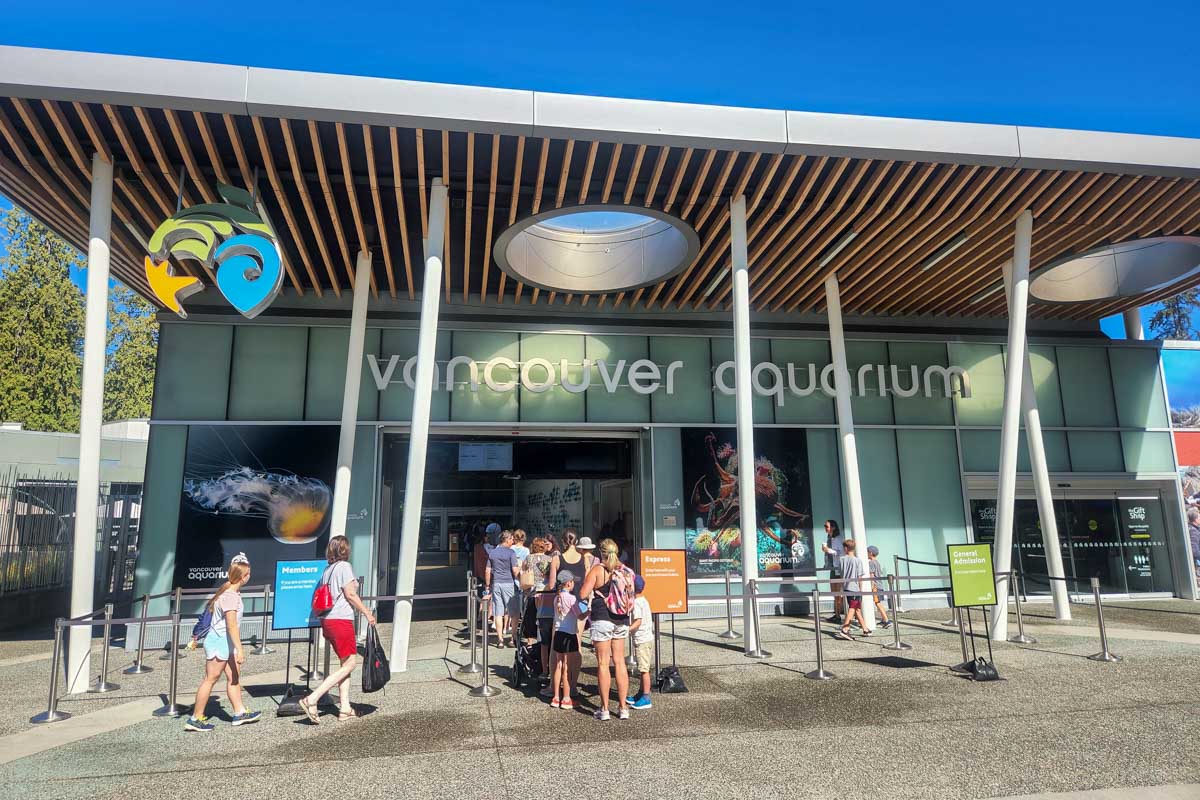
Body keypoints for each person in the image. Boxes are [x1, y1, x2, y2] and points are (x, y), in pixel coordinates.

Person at [299, 536, 377, 724]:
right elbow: (350, 594)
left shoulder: (327, 570)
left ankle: (344, 708)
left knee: (345, 665)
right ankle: (312, 698)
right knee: (350, 664)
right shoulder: (344, 567)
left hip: (328, 620)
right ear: (345, 550)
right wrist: (367, 612)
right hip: (341, 620)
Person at [184, 553, 261, 731]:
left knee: (233, 677)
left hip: (226, 643)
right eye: (248, 573)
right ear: (243, 577)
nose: (249, 576)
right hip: (220, 642)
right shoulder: (230, 596)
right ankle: (195, 718)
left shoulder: (229, 593)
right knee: (210, 679)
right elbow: (231, 625)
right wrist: (240, 649)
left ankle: (239, 712)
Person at [579, 538, 634, 721]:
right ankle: (623, 707)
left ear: (601, 553)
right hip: (621, 618)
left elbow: (583, 594)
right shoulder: (625, 570)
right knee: (619, 661)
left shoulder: (598, 570)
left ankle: (604, 709)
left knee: (603, 663)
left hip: (602, 617)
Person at [549, 569, 582, 710]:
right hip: (569, 634)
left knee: (558, 664)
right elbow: (579, 615)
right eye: (573, 581)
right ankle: (567, 697)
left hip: (558, 633)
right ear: (569, 583)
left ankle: (556, 697)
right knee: (568, 666)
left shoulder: (557, 598)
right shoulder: (571, 599)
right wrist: (590, 609)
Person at [486, 529, 521, 647]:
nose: (513, 541)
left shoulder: (493, 553)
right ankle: (513, 638)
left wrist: (487, 585)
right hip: (509, 584)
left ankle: (500, 639)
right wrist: (523, 579)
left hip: (496, 583)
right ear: (506, 540)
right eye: (511, 539)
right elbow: (515, 571)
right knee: (514, 613)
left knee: (498, 612)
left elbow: (488, 570)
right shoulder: (511, 553)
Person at [626, 575, 654, 710]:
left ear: (632, 587)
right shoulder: (644, 600)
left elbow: (638, 621)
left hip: (642, 639)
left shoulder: (637, 603)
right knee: (643, 668)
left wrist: (627, 630)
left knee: (644, 670)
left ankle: (646, 697)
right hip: (645, 638)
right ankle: (640, 693)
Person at [835, 539, 871, 640]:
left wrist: (841, 588)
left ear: (846, 548)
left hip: (846, 587)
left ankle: (865, 629)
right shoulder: (857, 561)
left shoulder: (841, 560)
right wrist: (860, 589)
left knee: (856, 609)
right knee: (853, 608)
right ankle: (845, 629)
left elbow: (841, 575)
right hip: (854, 588)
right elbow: (860, 577)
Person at [820, 520, 846, 621]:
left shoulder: (838, 539)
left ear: (833, 527)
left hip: (838, 568)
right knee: (834, 592)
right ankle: (837, 614)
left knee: (838, 592)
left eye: (826, 526)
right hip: (832, 568)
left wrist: (828, 550)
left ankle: (840, 613)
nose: (825, 528)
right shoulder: (829, 538)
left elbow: (841, 553)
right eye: (824, 526)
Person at [866, 545, 891, 629]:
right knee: (878, 602)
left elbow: (871, 575)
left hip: (875, 586)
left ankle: (886, 620)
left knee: (878, 603)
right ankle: (884, 620)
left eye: (867, 552)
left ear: (871, 553)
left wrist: (872, 586)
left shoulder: (871, 563)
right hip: (879, 585)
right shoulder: (877, 562)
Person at [1188, 508, 1200, 581]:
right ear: (1195, 519)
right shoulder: (1193, 531)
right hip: (1193, 563)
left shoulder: (1188, 527)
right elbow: (1194, 551)